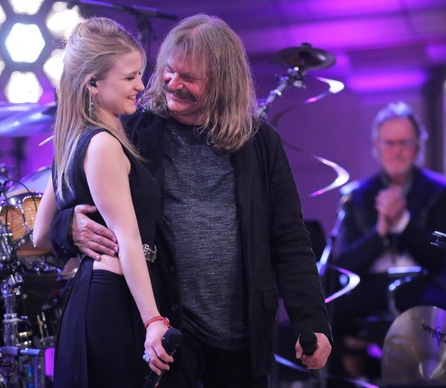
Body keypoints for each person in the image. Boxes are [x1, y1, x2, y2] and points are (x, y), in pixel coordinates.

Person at [46, 13, 332, 387]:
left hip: (244, 339)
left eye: (189, 77)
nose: (172, 83)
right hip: (171, 337)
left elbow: (290, 238)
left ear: (221, 84)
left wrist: (312, 321)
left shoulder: (260, 142)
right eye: (168, 71)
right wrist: (65, 226)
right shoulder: (135, 129)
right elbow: (66, 186)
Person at [32, 17, 173, 387]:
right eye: (130, 77)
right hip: (113, 298)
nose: (141, 86)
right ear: (93, 83)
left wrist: (70, 224)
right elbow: (127, 239)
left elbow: (39, 234)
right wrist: (153, 321)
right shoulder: (103, 144)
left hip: (92, 295)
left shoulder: (73, 142)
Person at [331, 101, 446, 381]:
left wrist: (402, 222)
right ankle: (355, 375)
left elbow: (437, 259)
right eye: (389, 143)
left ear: (417, 146)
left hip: (424, 283)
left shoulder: (441, 190)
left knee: (434, 310)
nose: (396, 151)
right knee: (331, 307)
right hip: (372, 285)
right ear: (376, 146)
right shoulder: (356, 194)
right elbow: (346, 262)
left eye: (404, 142)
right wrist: (381, 231)